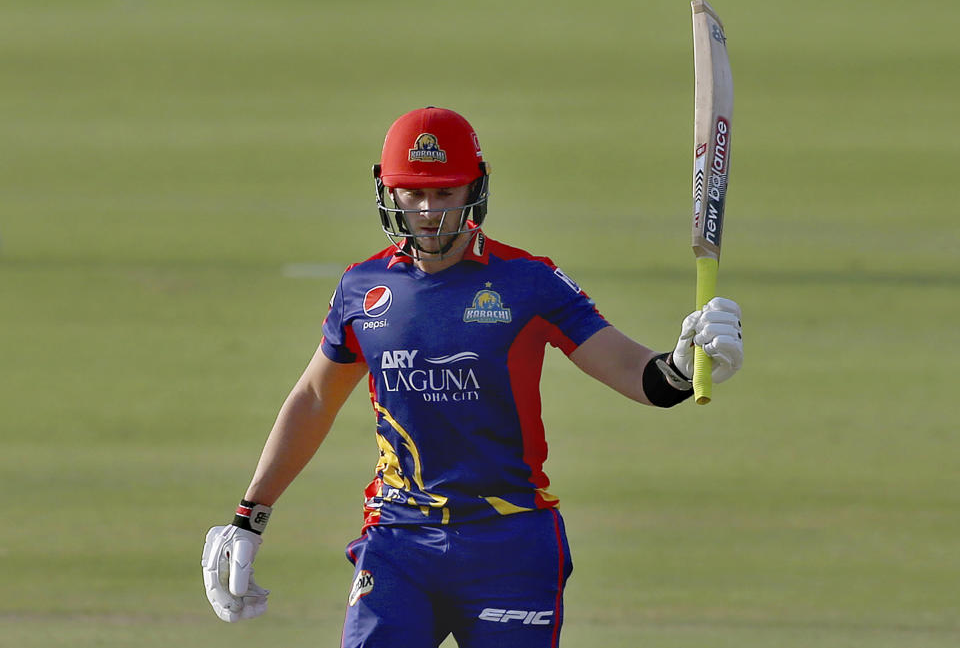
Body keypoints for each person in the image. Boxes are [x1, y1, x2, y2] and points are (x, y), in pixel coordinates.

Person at [201, 107, 743, 647]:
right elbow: (315, 398)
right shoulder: (360, 288)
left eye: (445, 192)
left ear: (475, 189)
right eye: (412, 193)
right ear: (387, 191)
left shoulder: (530, 282)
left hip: (509, 543)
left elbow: (637, 374)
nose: (429, 210)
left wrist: (681, 365)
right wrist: (251, 515)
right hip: (398, 540)